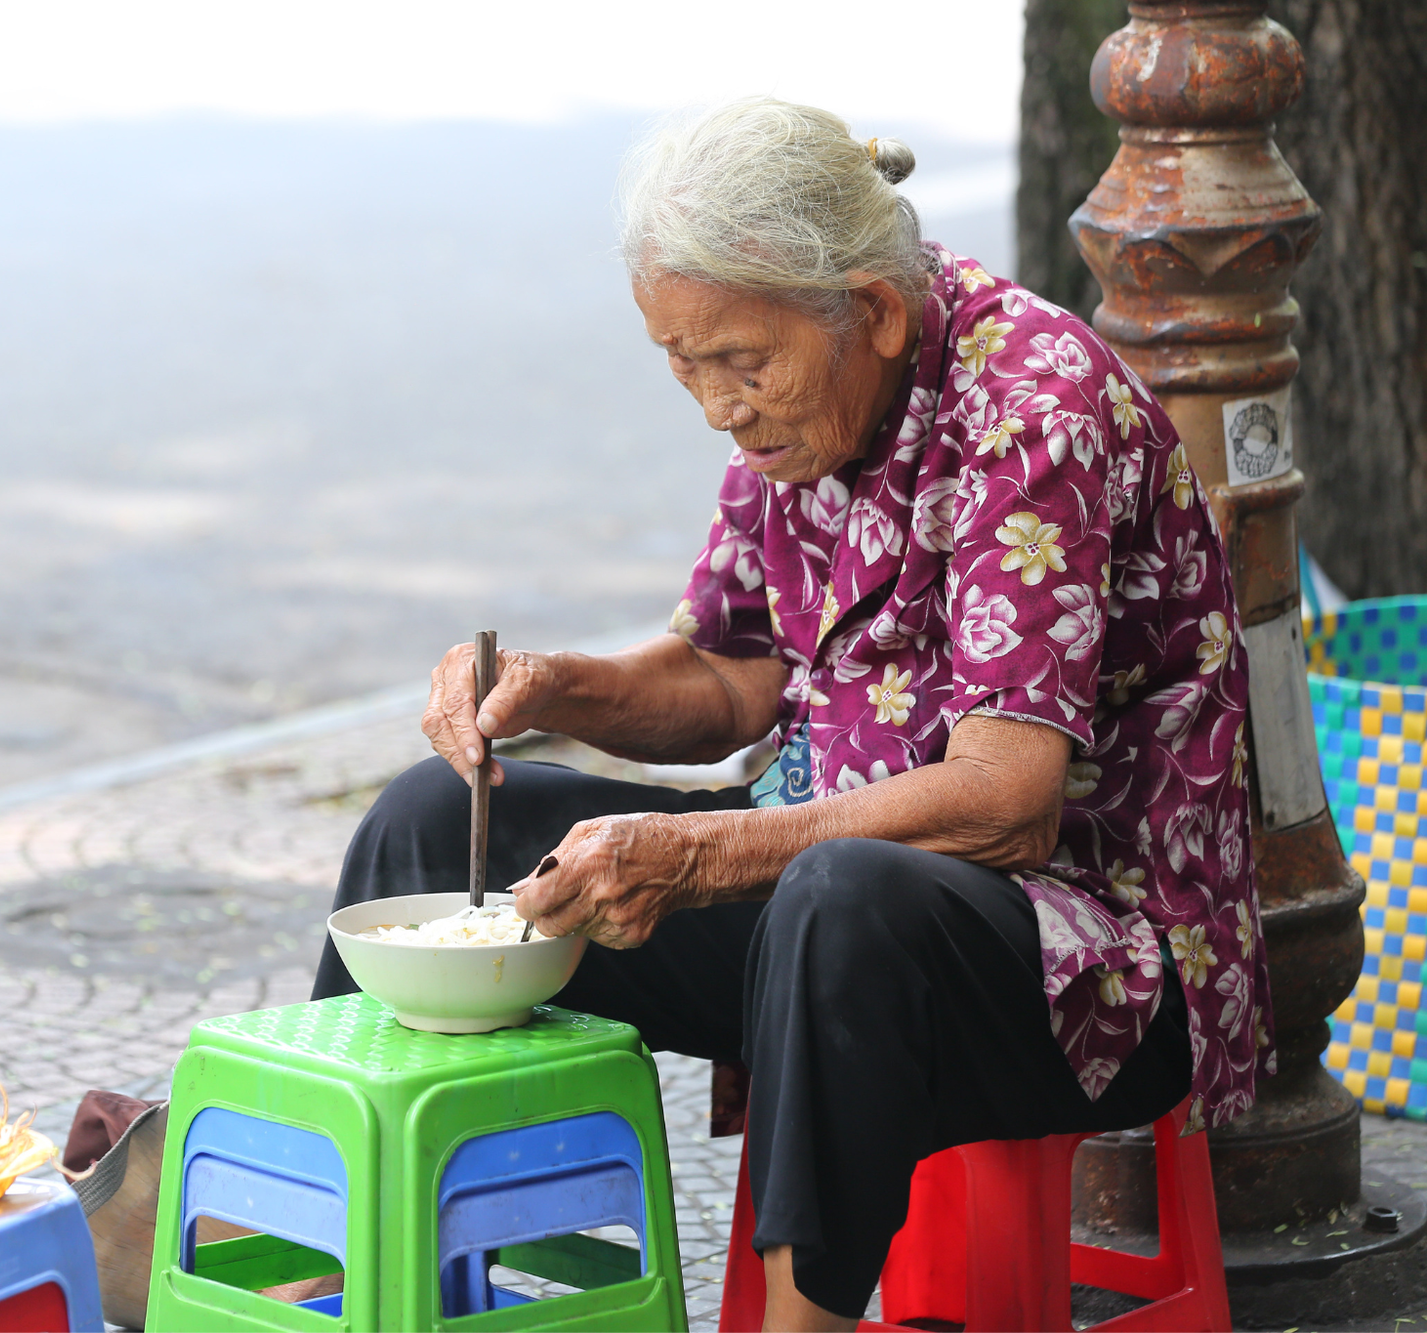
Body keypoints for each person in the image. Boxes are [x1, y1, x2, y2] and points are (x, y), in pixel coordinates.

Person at [311, 97, 1269, 1331]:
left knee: (839, 892)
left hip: (1093, 956)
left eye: (738, 364)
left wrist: (702, 852)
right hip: (828, 911)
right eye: (681, 362)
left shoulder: (1030, 405)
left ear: (868, 311)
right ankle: (344, 1259)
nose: (716, 405)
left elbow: (1008, 800)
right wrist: (555, 688)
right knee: (440, 822)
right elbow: (728, 678)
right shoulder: (798, 405)